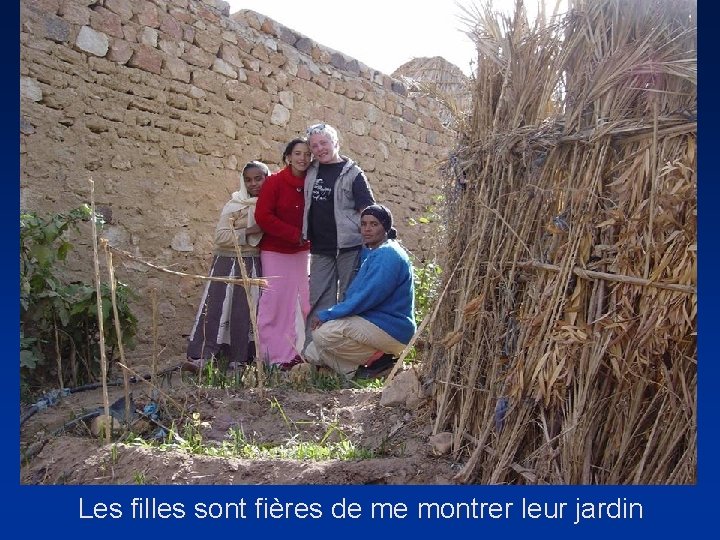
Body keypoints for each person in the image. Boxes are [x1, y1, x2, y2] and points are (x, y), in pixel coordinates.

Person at [304, 204, 416, 378]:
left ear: (385, 227)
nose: (367, 229)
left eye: (374, 224)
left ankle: (378, 360)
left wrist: (329, 314)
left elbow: (366, 297)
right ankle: (362, 372)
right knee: (312, 352)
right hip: (372, 325)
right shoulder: (374, 252)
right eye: (363, 224)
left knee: (323, 334)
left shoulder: (388, 254)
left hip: (391, 328)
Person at [185, 161, 269, 371]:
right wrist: (250, 230)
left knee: (245, 312)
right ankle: (205, 355)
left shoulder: (270, 205)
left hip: (252, 262)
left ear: (267, 178)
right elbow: (221, 236)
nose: (253, 184)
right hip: (227, 262)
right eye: (248, 180)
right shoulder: (235, 204)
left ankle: (240, 358)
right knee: (216, 308)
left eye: (259, 178)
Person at [301, 123, 375, 350]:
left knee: (349, 298)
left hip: (349, 245)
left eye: (324, 143)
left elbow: (367, 207)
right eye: (314, 145)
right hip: (321, 247)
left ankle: (345, 351)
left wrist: (376, 235)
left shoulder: (353, 173)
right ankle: (314, 352)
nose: (320, 149)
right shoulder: (311, 171)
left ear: (335, 143)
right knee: (319, 300)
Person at [254, 138, 312, 369]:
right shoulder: (275, 182)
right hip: (276, 251)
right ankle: (273, 355)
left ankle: (299, 352)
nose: (303, 158)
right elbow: (263, 216)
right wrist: (292, 234)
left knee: (303, 301)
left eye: (307, 154)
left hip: (302, 253)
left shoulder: (312, 183)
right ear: (288, 157)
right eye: (298, 153)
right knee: (275, 302)